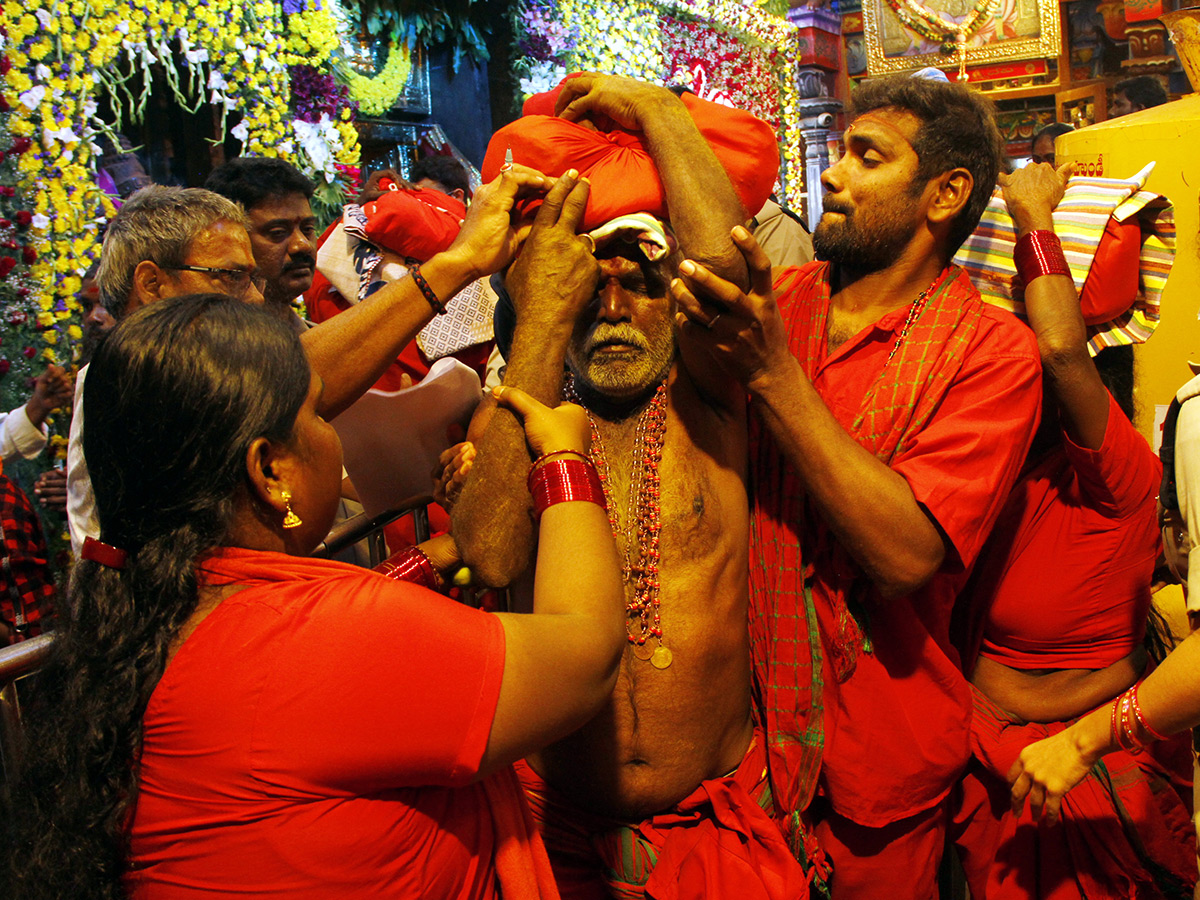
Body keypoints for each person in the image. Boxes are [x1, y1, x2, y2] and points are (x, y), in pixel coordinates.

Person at [4, 293, 624, 900]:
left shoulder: (148, 612)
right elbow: (586, 655)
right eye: (320, 414)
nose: (333, 436)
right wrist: (563, 459)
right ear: (269, 472)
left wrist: (425, 564)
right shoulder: (318, 637)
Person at [671, 74, 1042, 896]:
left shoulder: (992, 353)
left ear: (943, 195)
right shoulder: (780, 305)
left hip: (879, 757)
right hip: (734, 735)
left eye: (865, 156)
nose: (831, 174)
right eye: (838, 151)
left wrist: (775, 376)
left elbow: (907, 555)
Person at [454, 74, 808, 899]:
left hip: (713, 825)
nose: (612, 308)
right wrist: (542, 319)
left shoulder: (711, 397)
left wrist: (652, 109)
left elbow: (719, 256)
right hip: (558, 827)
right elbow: (493, 553)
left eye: (639, 283)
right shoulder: (511, 419)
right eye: (588, 289)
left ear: (674, 296)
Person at [949, 163, 1195, 898]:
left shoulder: (1117, 471)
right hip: (983, 763)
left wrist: (1033, 223)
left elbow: (1060, 351)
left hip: (1080, 769)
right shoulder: (987, 458)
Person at [204, 157, 318, 321]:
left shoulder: (318, 336)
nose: (302, 245)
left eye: (307, 229)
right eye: (278, 232)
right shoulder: (211, 343)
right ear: (233, 238)